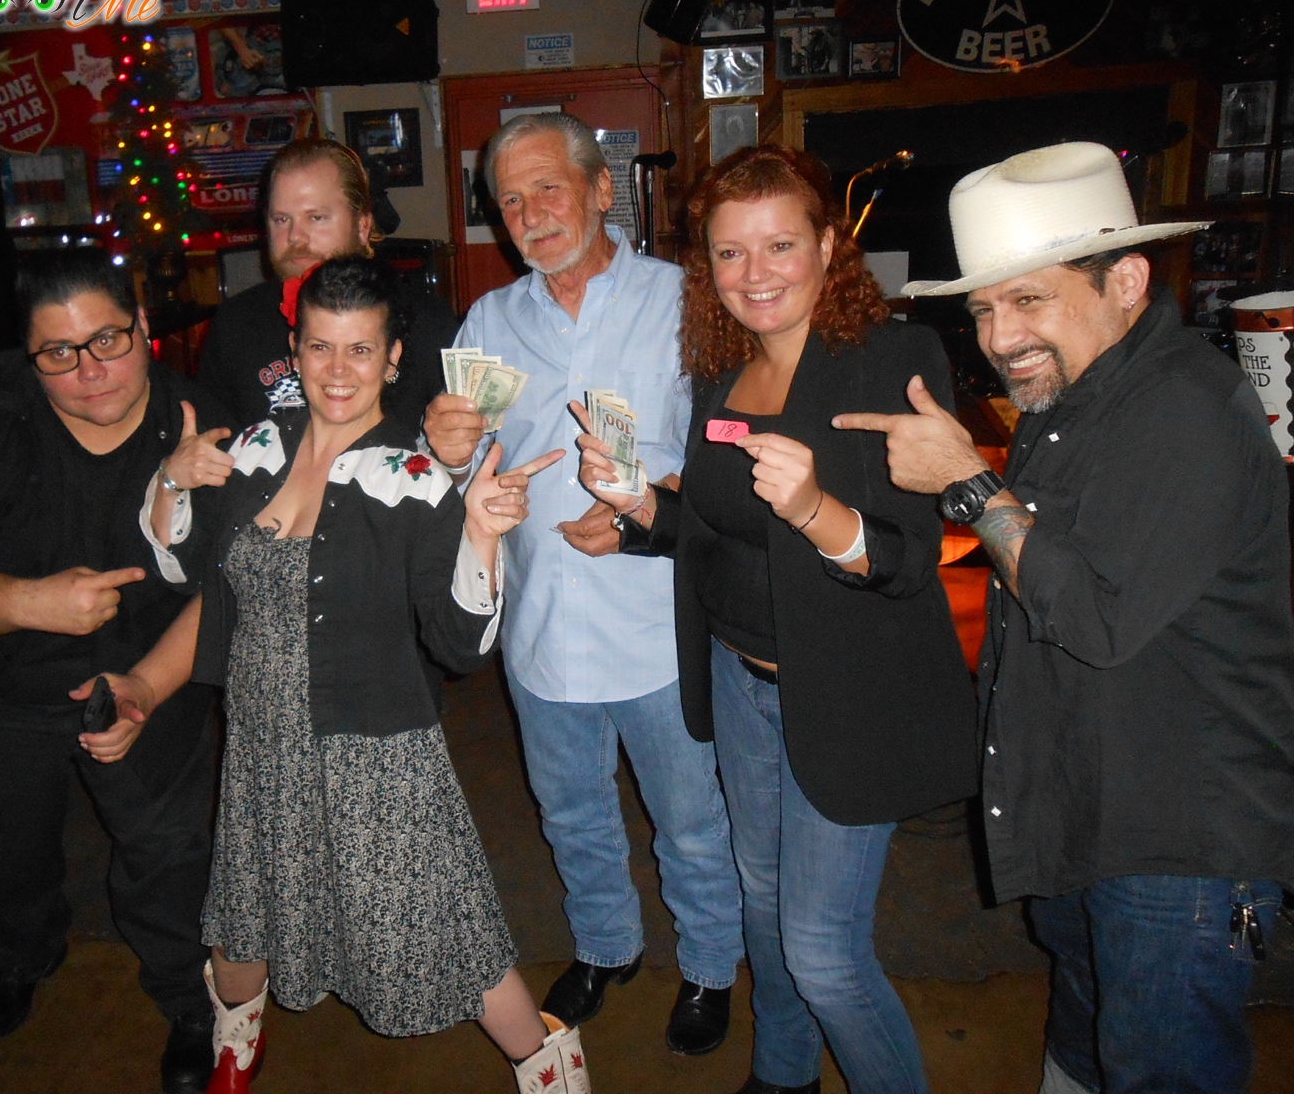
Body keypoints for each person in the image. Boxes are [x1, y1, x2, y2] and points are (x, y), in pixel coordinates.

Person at [836, 141, 1294, 1094]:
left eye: (1028, 300)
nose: (1000, 337)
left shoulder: (1185, 409)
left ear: (1125, 281)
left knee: (1159, 1069)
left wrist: (967, 483)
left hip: (1175, 839)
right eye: (983, 309)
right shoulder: (1073, 395)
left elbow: (1092, 618)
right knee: (1085, 1049)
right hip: (1086, 804)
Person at [100, 256, 590, 1093]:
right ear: (294, 349)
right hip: (263, 747)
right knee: (244, 916)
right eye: (320, 346)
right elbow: (183, 567)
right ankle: (235, 1048)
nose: (337, 370)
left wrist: (479, 535)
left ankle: (552, 1072)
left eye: (360, 350)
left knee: (452, 941)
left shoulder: (412, 479)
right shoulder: (254, 449)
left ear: (393, 359)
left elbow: (461, 645)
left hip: (377, 755)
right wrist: (171, 483)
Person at [580, 145, 976, 1094]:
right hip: (739, 682)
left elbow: (910, 560)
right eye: (729, 252)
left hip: (848, 693)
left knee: (825, 954)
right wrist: (638, 505)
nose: (753, 274)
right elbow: (715, 531)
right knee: (760, 903)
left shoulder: (894, 360)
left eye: (779, 245)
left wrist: (816, 510)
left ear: (829, 246)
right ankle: (783, 1071)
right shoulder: (723, 371)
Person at [424, 112, 745, 1054]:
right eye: (510, 201)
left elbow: (726, 446)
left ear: (602, 191)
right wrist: (449, 449)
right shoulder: (492, 321)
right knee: (570, 812)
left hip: (657, 619)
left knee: (690, 819)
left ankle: (711, 965)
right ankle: (607, 946)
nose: (530, 215)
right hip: (541, 623)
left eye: (548, 189)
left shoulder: (683, 300)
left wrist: (651, 507)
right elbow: (470, 456)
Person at [0, 250, 227, 1093]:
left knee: (167, 849)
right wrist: (29, 601)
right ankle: (18, 955)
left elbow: (229, 589)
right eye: (58, 353)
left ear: (143, 327)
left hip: (150, 667)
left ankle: (189, 998)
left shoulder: (201, 422)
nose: (90, 370)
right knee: (3, 845)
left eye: (109, 340)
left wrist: (146, 686)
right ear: (28, 353)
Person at [195, 136, 458, 431]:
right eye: (281, 219)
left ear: (362, 226)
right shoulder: (235, 325)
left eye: (316, 217)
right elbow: (211, 440)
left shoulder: (425, 322)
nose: (295, 236)